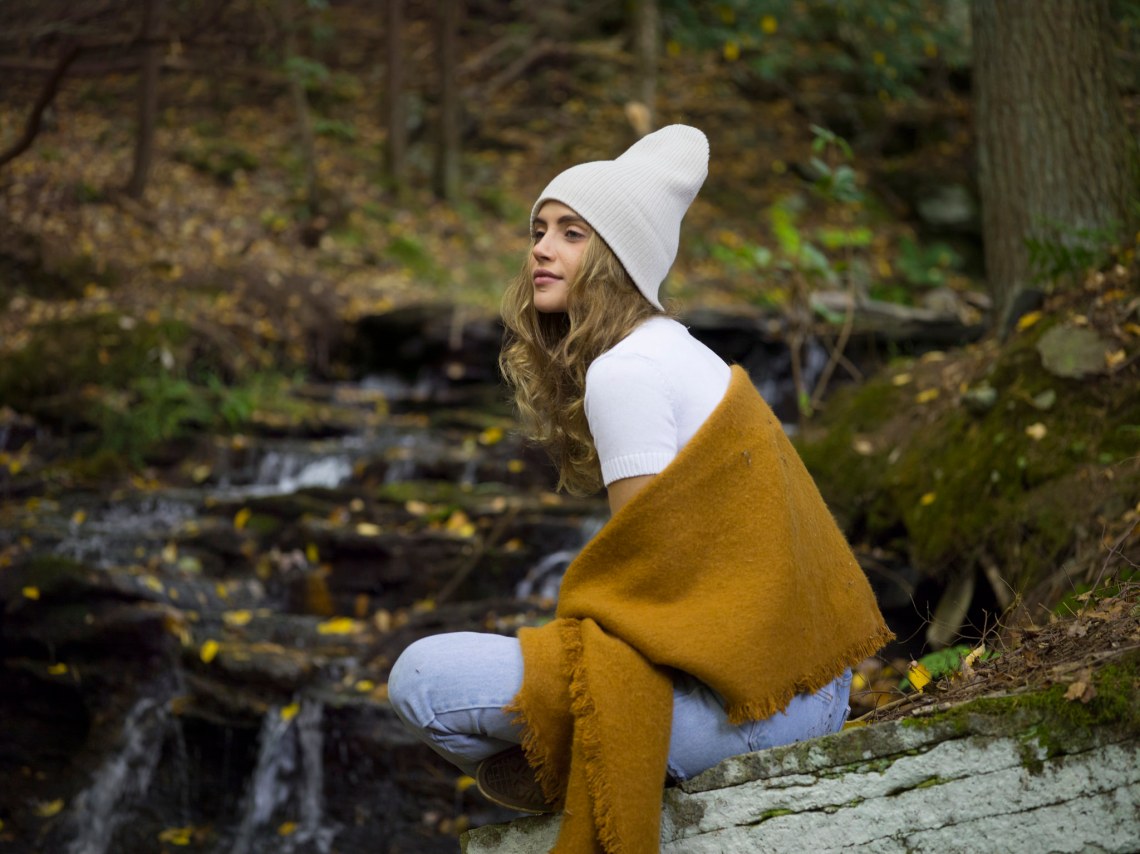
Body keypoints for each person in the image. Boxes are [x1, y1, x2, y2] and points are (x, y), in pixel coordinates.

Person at [388, 125, 893, 853]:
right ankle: (597, 760)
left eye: (571, 232)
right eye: (538, 229)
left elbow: (649, 596)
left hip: (757, 713)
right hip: (807, 688)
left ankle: (597, 766)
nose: (540, 247)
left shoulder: (624, 372)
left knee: (423, 679)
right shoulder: (679, 350)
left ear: (617, 258)